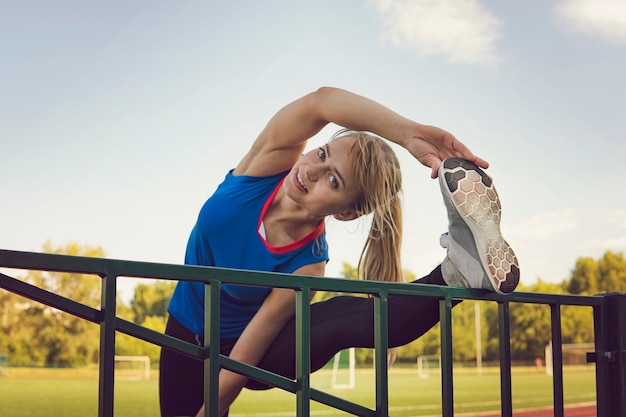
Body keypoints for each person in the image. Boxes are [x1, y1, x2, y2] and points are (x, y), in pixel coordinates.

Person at [159, 87, 520, 417]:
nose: (311, 170)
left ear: (347, 213)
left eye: (333, 180)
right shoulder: (267, 163)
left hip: (247, 351)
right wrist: (409, 133)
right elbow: (322, 102)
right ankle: (459, 267)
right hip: (182, 328)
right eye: (322, 153)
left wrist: (213, 410)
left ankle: (453, 272)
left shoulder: (308, 266)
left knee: (335, 321)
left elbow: (242, 362)